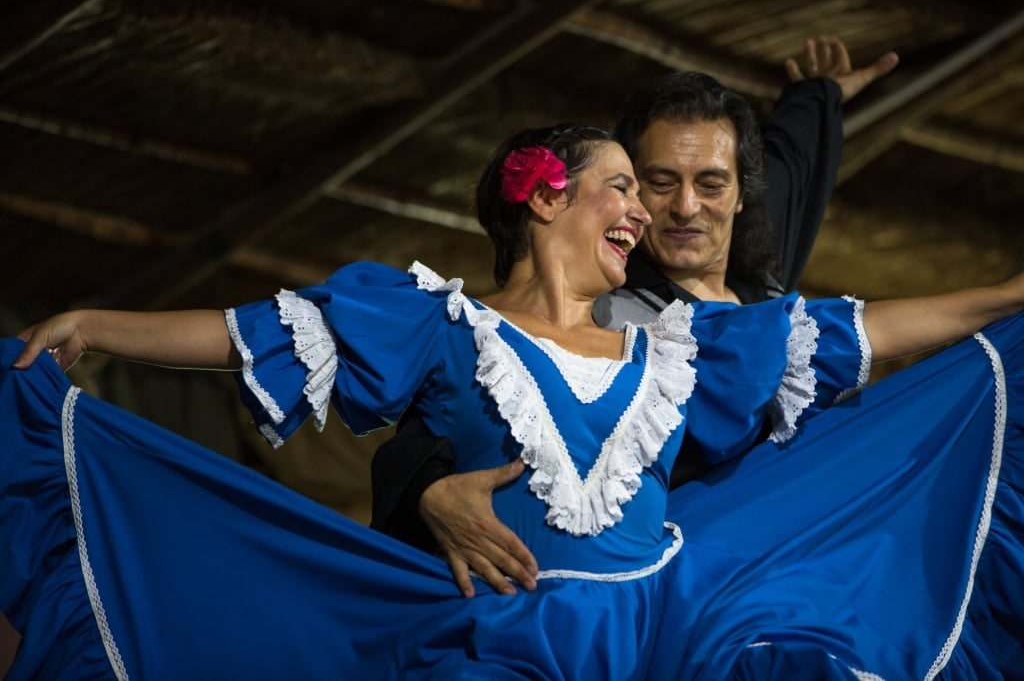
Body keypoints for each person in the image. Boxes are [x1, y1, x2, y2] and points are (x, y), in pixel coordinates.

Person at [2, 124, 1022, 679]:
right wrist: (99, 321)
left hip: (667, 632)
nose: (643, 210)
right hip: (509, 635)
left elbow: (873, 329)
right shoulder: (440, 326)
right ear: (546, 197)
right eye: (621, 185)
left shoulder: (680, 347)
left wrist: (1013, 295)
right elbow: (245, 333)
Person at [369, 36, 900, 595]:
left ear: (741, 193)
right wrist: (425, 490)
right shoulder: (607, 322)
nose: (685, 207)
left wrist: (819, 94)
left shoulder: (759, 278)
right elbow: (453, 400)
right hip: (670, 594)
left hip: (793, 568)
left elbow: (793, 160)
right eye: (658, 183)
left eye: (712, 183)